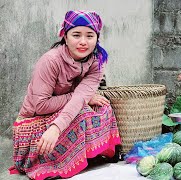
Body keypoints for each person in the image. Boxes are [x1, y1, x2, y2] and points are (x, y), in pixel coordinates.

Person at [9, 10, 121, 180]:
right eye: (76, 35)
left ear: (97, 38)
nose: (83, 42)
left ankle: (89, 154)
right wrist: (57, 126)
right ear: (65, 36)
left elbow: (79, 98)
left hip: (61, 114)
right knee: (82, 112)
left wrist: (82, 98)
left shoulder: (97, 60)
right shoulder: (50, 61)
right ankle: (55, 161)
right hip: (33, 122)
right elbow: (41, 105)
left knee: (103, 107)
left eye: (90, 36)